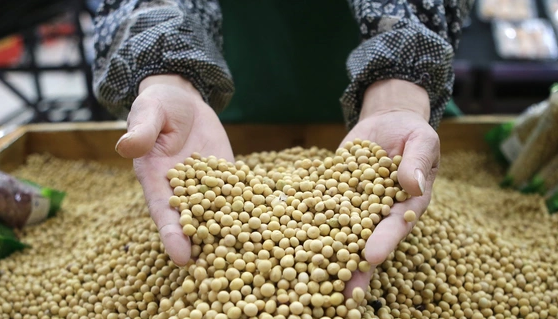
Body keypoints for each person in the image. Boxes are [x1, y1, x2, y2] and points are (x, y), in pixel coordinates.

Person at [92, 0, 473, 293]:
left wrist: (402, 82)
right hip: (222, 92)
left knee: (409, 187)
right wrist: (167, 68)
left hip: (388, 89)